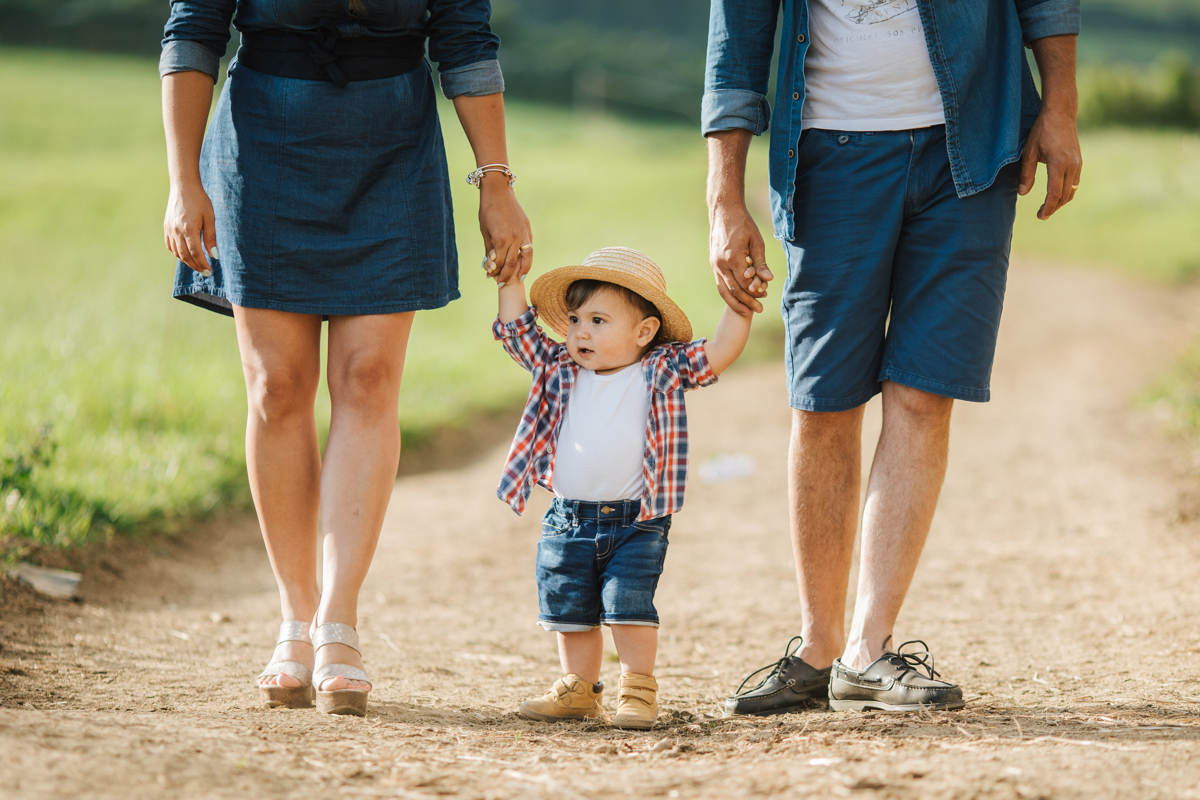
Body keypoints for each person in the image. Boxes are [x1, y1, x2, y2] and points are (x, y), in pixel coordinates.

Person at [704, 0, 1082, 714]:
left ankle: (867, 650)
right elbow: (737, 39)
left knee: (924, 390)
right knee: (824, 400)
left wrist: (1059, 106)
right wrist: (724, 195)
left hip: (970, 150)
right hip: (827, 153)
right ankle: (817, 648)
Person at [159, 0, 533, 716]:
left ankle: (337, 620)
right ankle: (294, 619)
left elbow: (464, 38)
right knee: (276, 386)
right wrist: (183, 181)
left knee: (369, 378)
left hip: (394, 149)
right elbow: (193, 30)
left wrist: (496, 182)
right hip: (261, 144)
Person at [489, 247, 755, 729]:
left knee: (628, 605)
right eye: (575, 320)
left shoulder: (660, 370)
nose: (580, 332)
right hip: (567, 519)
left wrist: (739, 306)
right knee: (569, 609)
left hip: (638, 521)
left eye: (598, 321)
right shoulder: (558, 367)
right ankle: (578, 689)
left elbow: (718, 353)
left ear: (644, 332)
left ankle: (637, 689)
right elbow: (517, 333)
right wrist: (510, 281)